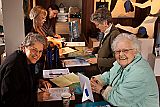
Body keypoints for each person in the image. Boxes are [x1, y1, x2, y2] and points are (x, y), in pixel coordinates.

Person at [90, 33, 159, 107]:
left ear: (135, 51)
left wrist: (101, 90)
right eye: (118, 51)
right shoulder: (122, 62)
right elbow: (110, 75)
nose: (121, 54)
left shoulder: (140, 72)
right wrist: (98, 80)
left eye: (125, 50)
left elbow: (119, 99)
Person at [0, 32, 51, 107]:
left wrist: (39, 82)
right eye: (34, 50)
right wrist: (36, 98)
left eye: (40, 51)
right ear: (24, 47)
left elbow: (25, 81)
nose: (37, 55)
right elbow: (8, 99)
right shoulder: (14, 66)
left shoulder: (28, 60)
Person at [87, 7, 120, 73]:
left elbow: (117, 60)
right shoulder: (105, 31)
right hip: (100, 67)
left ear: (105, 23)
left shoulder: (115, 35)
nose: (96, 27)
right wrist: (94, 49)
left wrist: (97, 61)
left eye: (97, 24)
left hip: (106, 71)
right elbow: (103, 47)